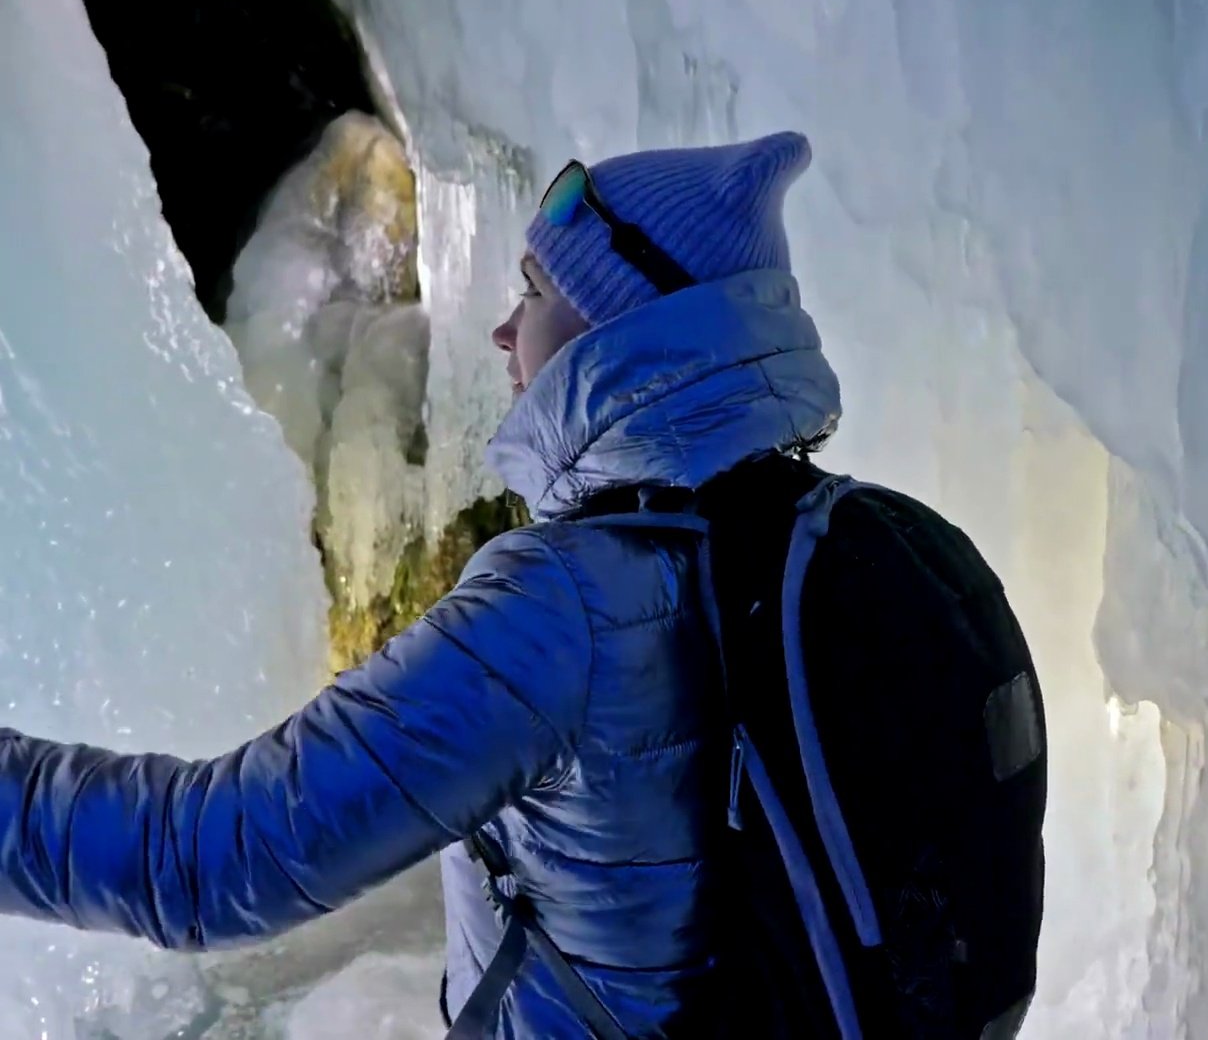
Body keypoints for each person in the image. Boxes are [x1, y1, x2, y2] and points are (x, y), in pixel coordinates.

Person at [0, 131, 1047, 1039]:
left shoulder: (564, 610)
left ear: (624, 335)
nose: (504, 331)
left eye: (536, 293)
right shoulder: (830, 540)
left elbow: (207, 861)